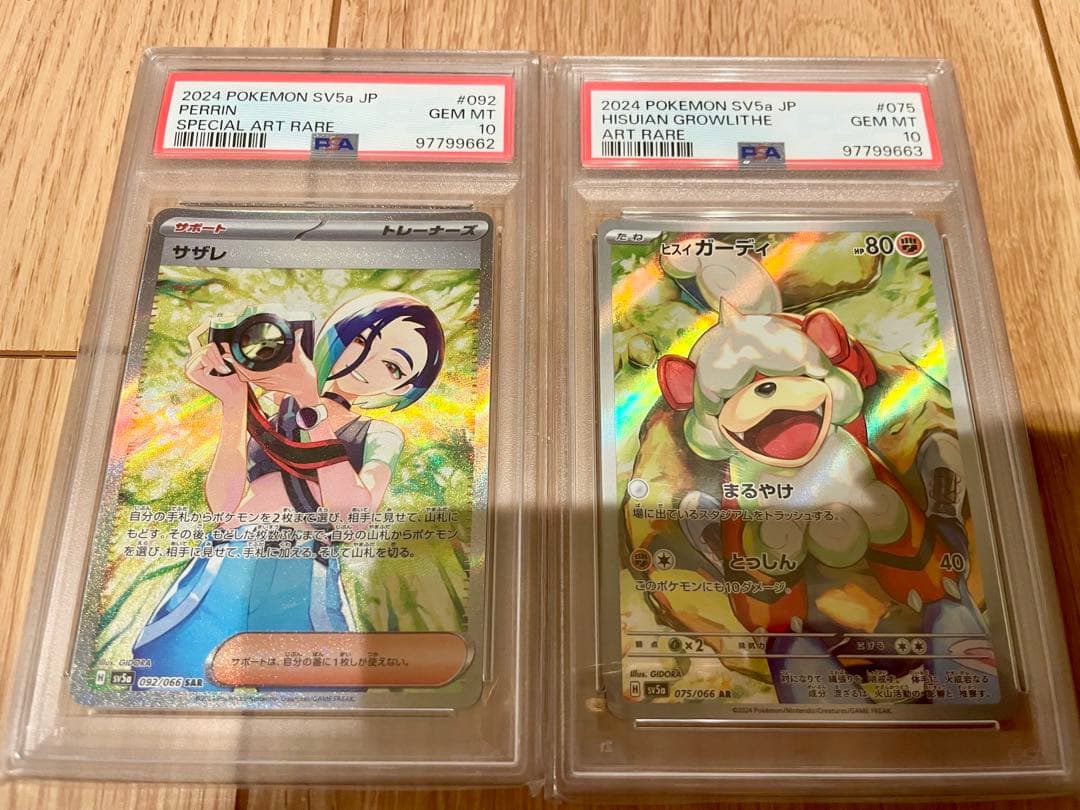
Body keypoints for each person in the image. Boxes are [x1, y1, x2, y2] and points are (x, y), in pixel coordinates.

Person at [131, 292, 445, 690]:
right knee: (174, 666)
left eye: (392, 365)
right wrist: (234, 401)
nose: (364, 362)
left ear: (404, 387)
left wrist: (311, 403)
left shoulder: (379, 433)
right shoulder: (272, 410)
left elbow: (353, 515)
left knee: (314, 687)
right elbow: (224, 505)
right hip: (230, 552)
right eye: (359, 340)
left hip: (303, 561)